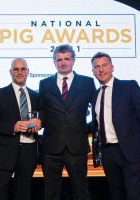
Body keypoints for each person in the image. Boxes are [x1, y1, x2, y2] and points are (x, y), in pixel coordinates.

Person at [91, 52, 140, 200]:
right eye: (96, 67)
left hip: (130, 151)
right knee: (116, 195)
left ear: (112, 67)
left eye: (104, 65)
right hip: (108, 153)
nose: (101, 69)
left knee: (134, 196)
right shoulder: (95, 94)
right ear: (93, 71)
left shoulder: (129, 86)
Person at [38, 44, 96, 200]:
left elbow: (99, 110)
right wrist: (37, 122)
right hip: (50, 147)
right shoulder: (44, 84)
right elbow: (42, 111)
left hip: (77, 146)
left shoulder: (87, 83)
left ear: (74, 60)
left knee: (81, 192)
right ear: (54, 62)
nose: (63, 63)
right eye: (59, 59)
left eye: (67, 59)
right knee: (51, 193)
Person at [0, 57, 41, 200]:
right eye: (16, 69)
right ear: (10, 72)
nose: (20, 72)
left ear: (28, 72)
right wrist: (13, 127)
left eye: (23, 69)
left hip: (29, 152)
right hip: (5, 151)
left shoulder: (36, 96)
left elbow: (42, 119)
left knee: (23, 194)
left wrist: (40, 123)